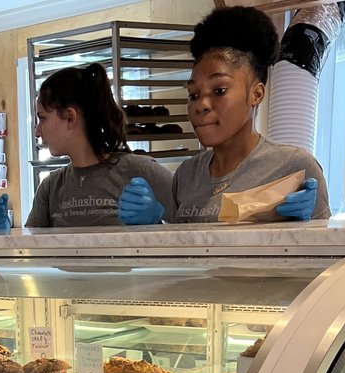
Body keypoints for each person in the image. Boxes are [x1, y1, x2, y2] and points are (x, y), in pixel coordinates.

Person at [122, 5, 330, 226]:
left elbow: (329, 254)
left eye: (219, 90)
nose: (201, 105)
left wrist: (306, 227)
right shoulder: (186, 175)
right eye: (193, 94)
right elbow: (180, 253)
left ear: (256, 94)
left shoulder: (293, 166)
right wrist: (154, 225)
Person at [0, 62, 175, 232]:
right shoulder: (50, 187)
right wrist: (3, 237)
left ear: (70, 117)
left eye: (42, 119)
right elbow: (34, 254)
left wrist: (159, 223)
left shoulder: (140, 171)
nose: (37, 132)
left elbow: (195, 231)